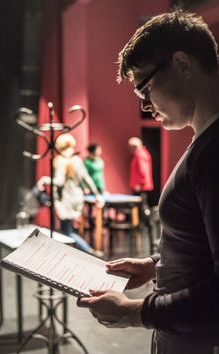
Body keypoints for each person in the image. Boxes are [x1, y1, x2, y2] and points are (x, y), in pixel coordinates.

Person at [77, 9, 219, 354]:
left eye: (145, 88)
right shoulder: (205, 143)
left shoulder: (215, 153)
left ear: (183, 65)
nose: (145, 107)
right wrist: (154, 265)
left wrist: (135, 312)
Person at [37, 133, 103, 256]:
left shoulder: (61, 161)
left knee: (67, 231)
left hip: (66, 200)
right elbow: (87, 179)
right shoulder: (77, 160)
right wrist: (97, 194)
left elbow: (59, 181)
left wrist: (44, 180)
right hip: (77, 198)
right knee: (67, 229)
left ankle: (88, 251)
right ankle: (79, 253)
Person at [128, 136, 154, 225]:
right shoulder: (142, 153)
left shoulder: (140, 154)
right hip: (141, 186)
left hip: (140, 187)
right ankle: (146, 224)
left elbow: (143, 170)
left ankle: (148, 224)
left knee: (143, 206)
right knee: (142, 205)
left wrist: (140, 183)